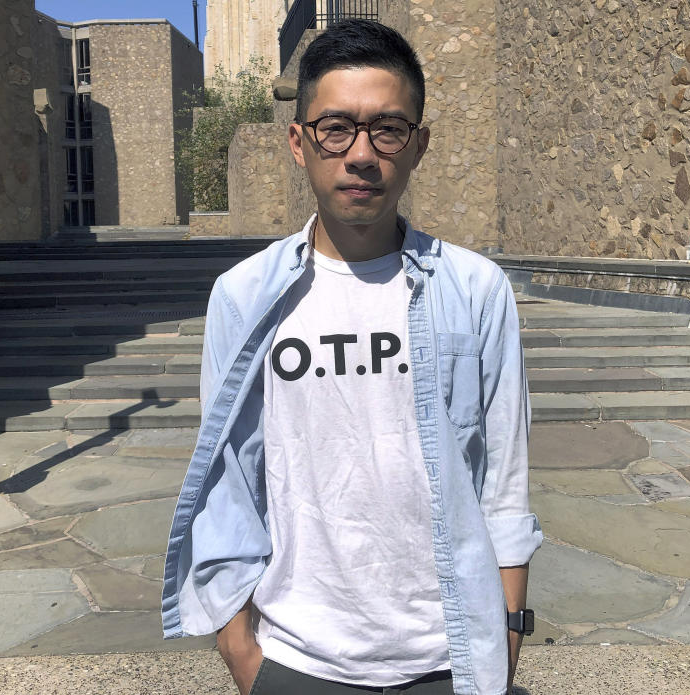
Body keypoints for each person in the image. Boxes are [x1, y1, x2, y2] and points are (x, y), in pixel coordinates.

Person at [162, 19, 542, 695]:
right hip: (295, 661)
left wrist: (506, 637)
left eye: (387, 128)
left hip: (449, 658)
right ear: (298, 142)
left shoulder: (477, 290)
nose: (361, 153)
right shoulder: (242, 296)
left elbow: (504, 487)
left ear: (418, 145)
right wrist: (239, 646)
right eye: (336, 127)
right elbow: (229, 479)